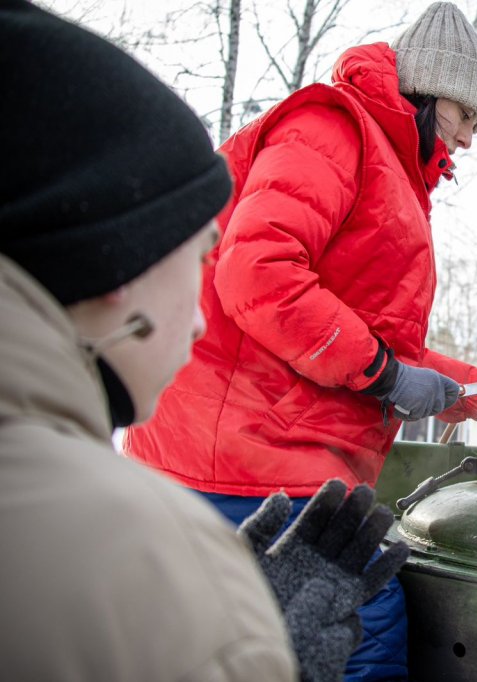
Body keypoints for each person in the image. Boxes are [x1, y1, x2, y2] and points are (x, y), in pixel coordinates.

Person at [123, 3, 477, 678]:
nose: (470, 139)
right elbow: (259, 273)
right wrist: (385, 376)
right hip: (243, 454)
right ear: (427, 88)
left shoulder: (389, 168)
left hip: (276, 450)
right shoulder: (332, 127)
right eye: (466, 116)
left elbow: (370, 337)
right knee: (365, 632)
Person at [0, 1, 407, 680]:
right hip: (257, 465)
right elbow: (265, 275)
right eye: (197, 258)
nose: (198, 318)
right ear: (117, 263)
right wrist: (243, 646)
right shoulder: (140, 557)